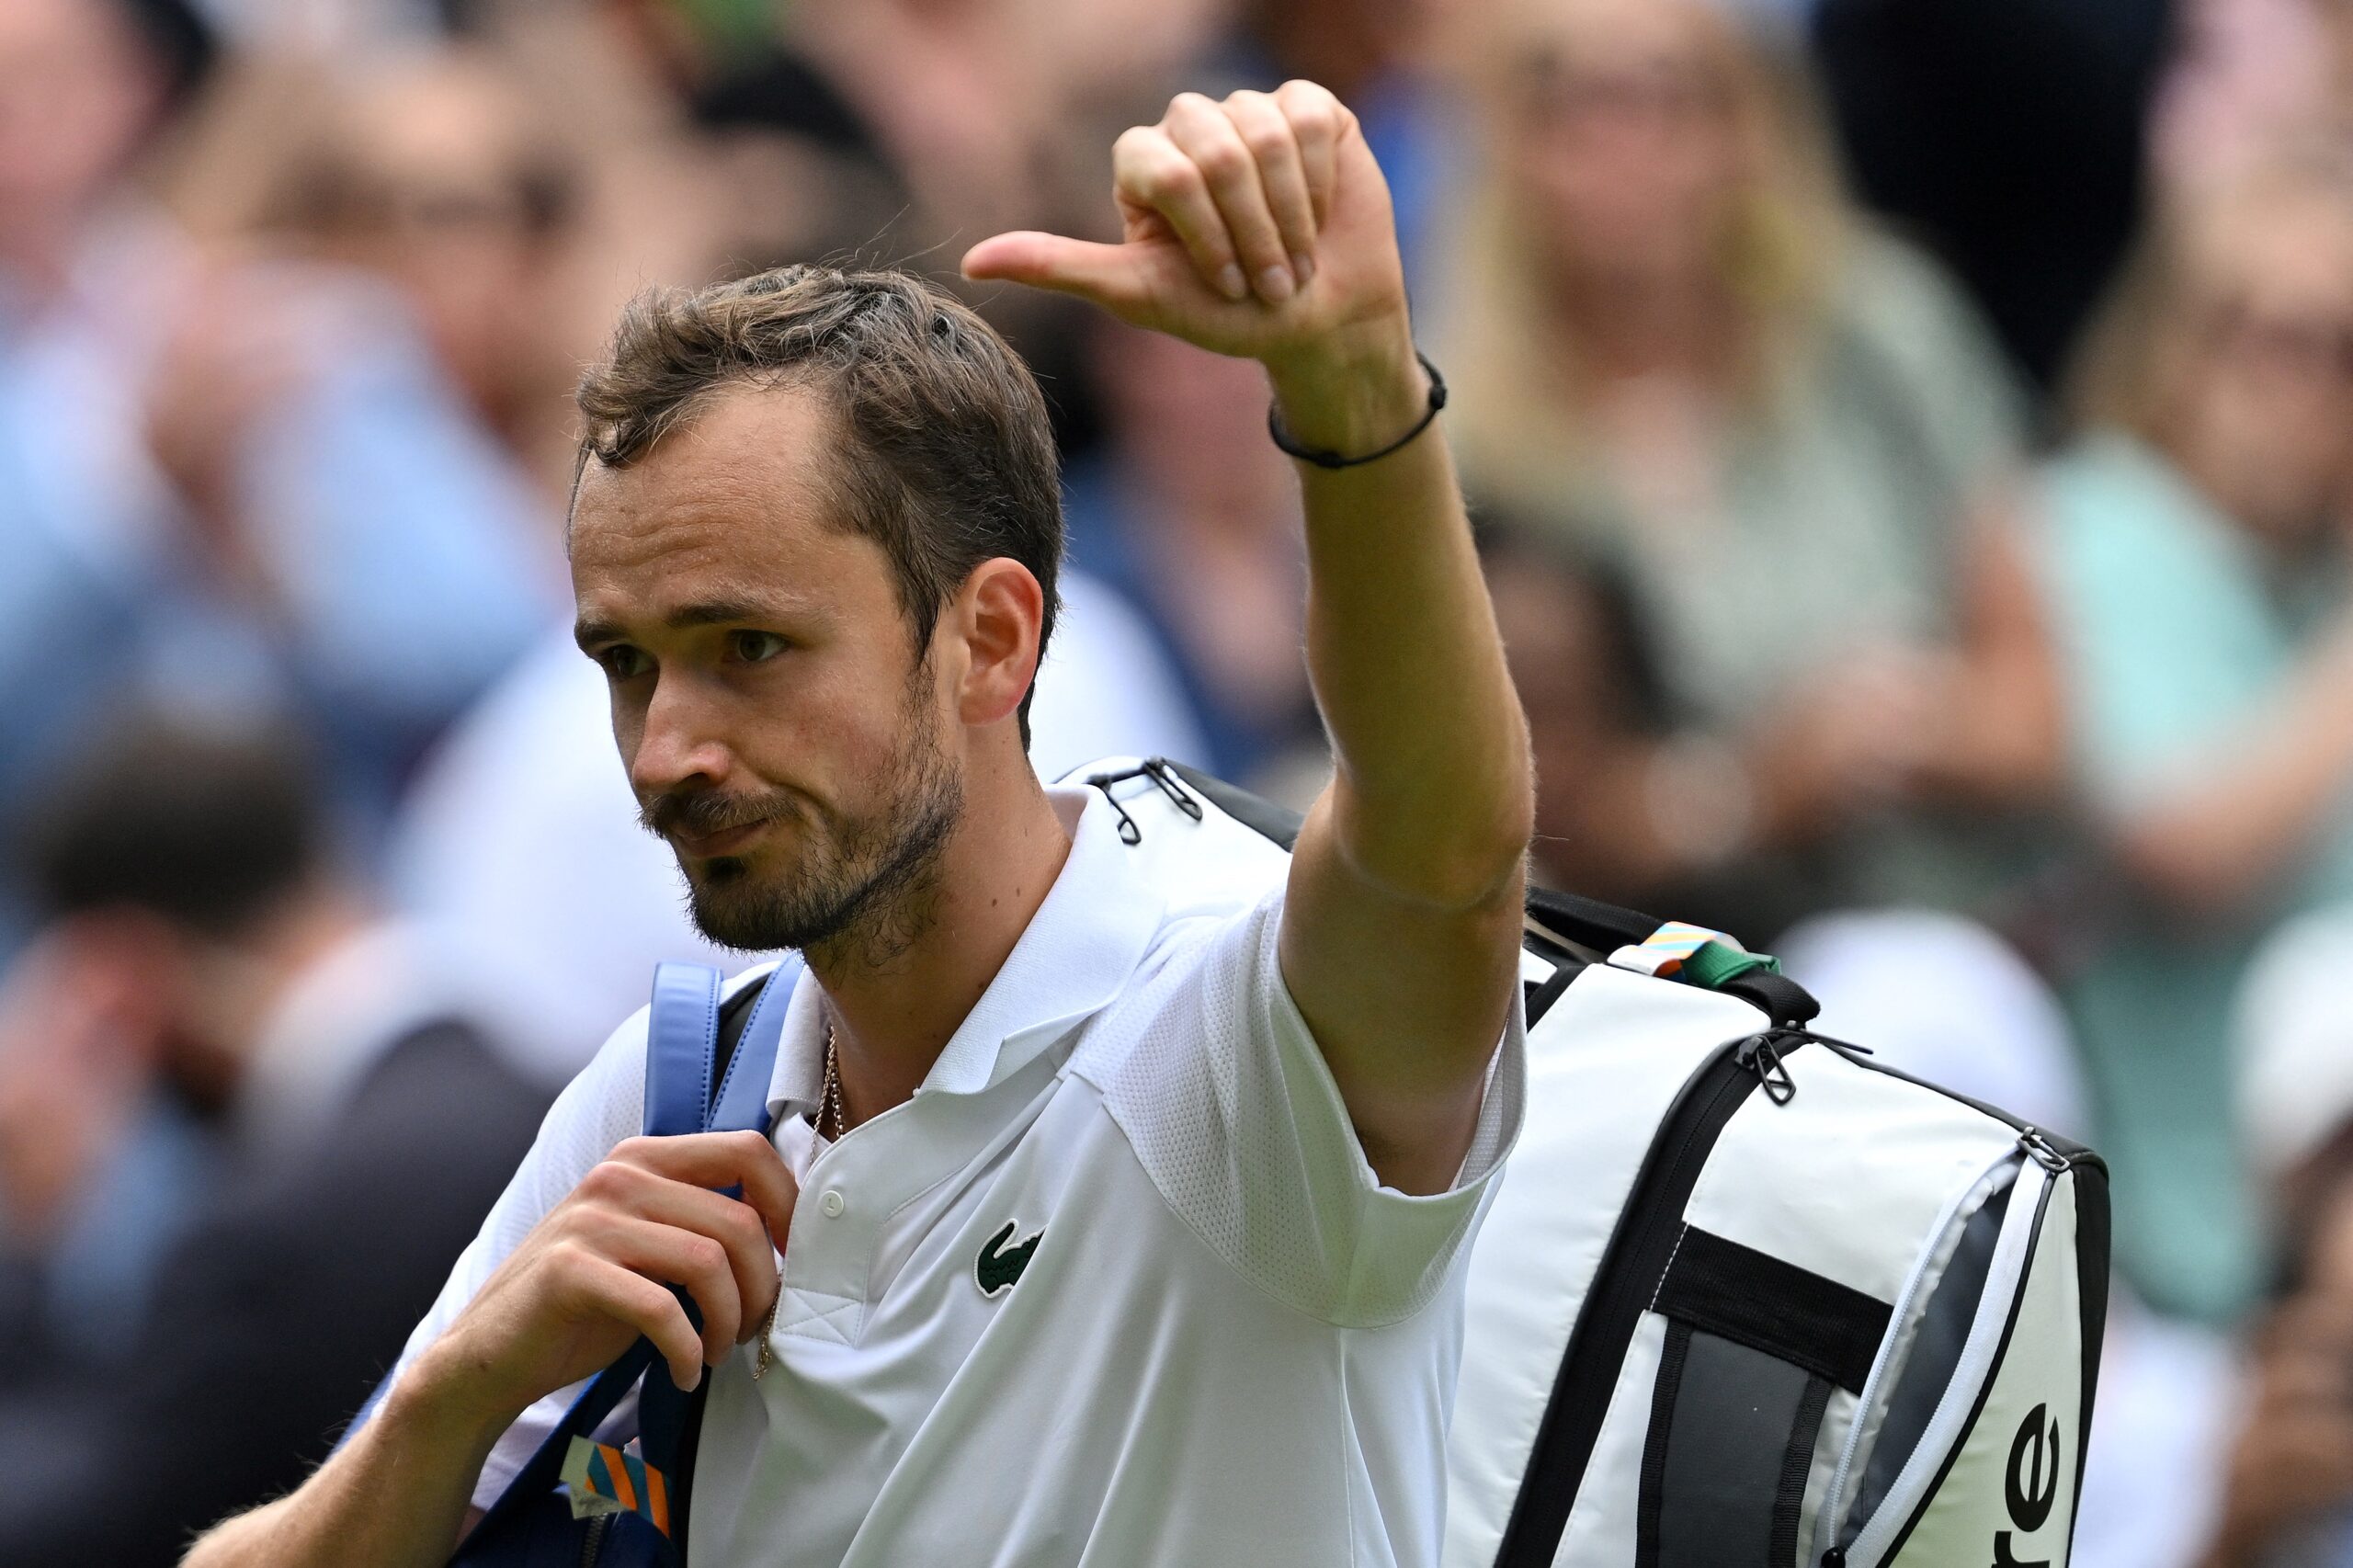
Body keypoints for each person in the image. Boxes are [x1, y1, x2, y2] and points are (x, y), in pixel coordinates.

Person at [190, 79, 1532, 1568]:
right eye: (627, 663)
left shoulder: (1239, 1032)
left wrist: (1350, 387)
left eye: (749, 647)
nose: (667, 750)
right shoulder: (676, 1088)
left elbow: (1444, 851)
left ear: (993, 639)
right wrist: (459, 1391)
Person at [1427, 0, 2061, 944]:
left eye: (1670, 99)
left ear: (1748, 125)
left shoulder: (1877, 330)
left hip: (1942, 910)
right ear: (1503, 147)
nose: (1625, 148)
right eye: (1571, 107)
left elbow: (2036, 714)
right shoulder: (1460, 436)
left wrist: (1894, 725)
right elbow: (1509, 806)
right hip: (1641, 960)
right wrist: (1750, 792)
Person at [0, 721, 550, 1567]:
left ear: (122, 973)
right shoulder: (560, 1097)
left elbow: (71, 1534)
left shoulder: (268, 1245)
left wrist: (25, 1237)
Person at [2033, 153, 2353, 1323]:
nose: (2300, 385)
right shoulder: (2094, 524)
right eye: (2260, 335)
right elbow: (2186, 846)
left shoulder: (2324, 579)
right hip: (2167, 1261)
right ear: (2175, 339)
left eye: (2337, 347)